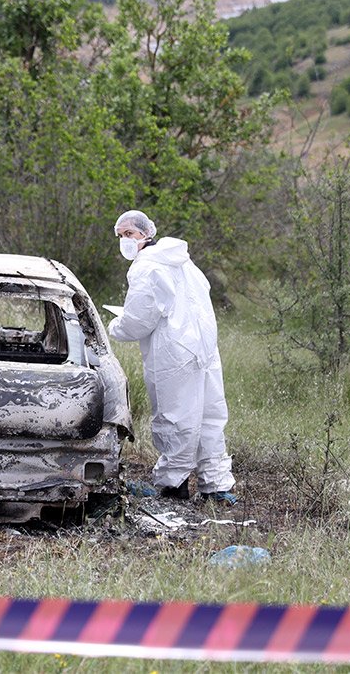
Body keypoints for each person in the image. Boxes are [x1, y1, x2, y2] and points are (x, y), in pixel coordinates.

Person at [106, 210, 237, 506]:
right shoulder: (183, 261)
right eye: (120, 236)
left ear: (145, 233)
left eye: (129, 234)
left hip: (173, 353)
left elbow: (139, 319)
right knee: (209, 416)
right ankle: (215, 486)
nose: (124, 241)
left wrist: (116, 327)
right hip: (204, 349)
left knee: (175, 416)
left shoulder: (146, 267)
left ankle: (173, 484)